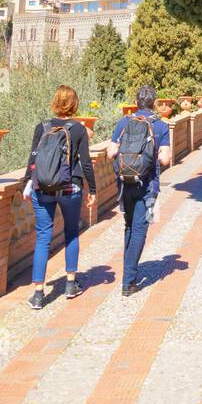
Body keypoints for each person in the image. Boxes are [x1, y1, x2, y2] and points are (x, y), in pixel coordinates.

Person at [22, 84, 96, 310]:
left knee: (43, 237)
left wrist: (25, 183)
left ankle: (37, 293)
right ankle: (71, 284)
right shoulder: (78, 129)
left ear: (55, 102)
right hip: (69, 188)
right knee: (72, 233)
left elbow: (33, 158)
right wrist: (92, 189)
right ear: (74, 104)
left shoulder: (42, 127)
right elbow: (85, 163)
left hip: (42, 189)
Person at [106, 85, 171, 296]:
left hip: (124, 183)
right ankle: (129, 281)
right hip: (149, 185)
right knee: (141, 229)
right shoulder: (160, 125)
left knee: (128, 226)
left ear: (136, 101)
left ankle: (128, 271)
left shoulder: (124, 122)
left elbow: (110, 152)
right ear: (155, 102)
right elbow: (165, 158)